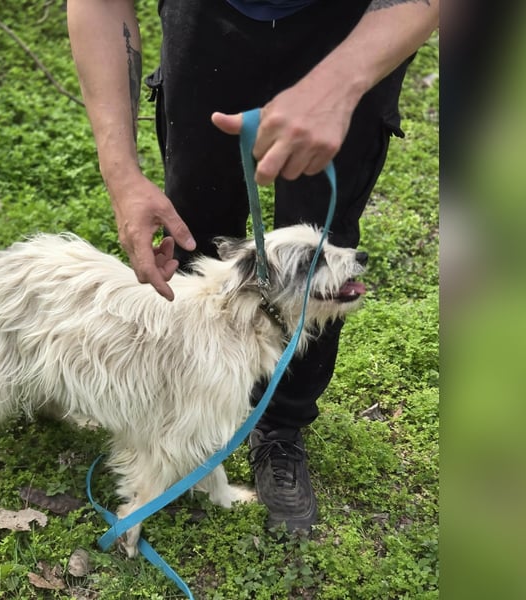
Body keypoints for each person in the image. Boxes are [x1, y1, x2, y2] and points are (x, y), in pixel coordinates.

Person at [67, 0, 439, 532]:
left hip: (354, 23)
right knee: (192, 222)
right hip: (208, 22)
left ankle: (281, 426)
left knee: (320, 234)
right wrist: (121, 174)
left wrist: (341, 82)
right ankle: (178, 398)